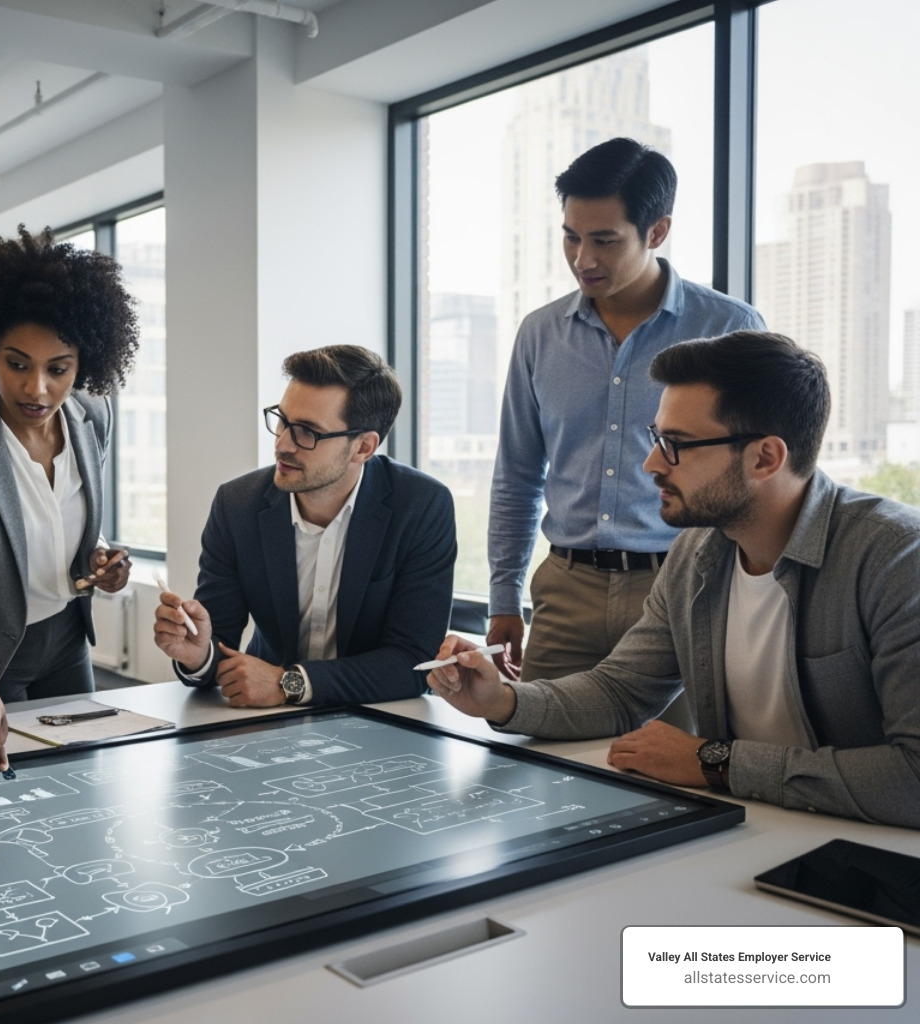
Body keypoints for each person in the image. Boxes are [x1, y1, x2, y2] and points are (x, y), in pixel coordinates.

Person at [430, 332, 920, 829]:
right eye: (656, 437)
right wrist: (503, 700)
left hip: (871, 859)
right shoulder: (696, 553)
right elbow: (620, 692)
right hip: (747, 828)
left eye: (676, 445)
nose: (651, 464)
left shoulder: (897, 559)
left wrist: (715, 760)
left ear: (765, 458)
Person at [487, 138, 764, 685]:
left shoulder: (729, 329)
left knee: (668, 763)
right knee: (536, 752)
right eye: (571, 236)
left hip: (684, 586)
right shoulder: (539, 335)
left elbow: (758, 475)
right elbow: (517, 476)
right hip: (565, 590)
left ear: (656, 232)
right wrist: (502, 600)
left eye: (605, 241)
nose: (582, 259)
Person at [0, 226, 137, 770]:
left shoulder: (92, 415)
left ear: (85, 362)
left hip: (66, 640)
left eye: (58, 369)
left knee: (83, 777)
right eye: (17, 364)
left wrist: (101, 559)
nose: (37, 389)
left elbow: (67, 516)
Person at [154, 345, 456, 707]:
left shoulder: (421, 506)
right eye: (282, 421)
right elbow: (220, 644)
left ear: (363, 447)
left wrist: (289, 683)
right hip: (266, 717)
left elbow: (413, 661)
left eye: (307, 432)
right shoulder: (237, 505)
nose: (282, 444)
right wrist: (197, 654)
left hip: (381, 715)